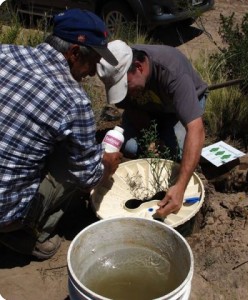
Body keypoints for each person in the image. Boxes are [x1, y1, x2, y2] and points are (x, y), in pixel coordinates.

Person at [0, 9, 123, 260]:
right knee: (75, 166)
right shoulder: (74, 101)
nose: (92, 73)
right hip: (5, 213)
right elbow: (88, 176)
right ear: (74, 54)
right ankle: (25, 233)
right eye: (93, 62)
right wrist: (107, 166)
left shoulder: (5, 53)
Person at [97, 40, 208, 218]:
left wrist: (180, 188)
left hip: (179, 108)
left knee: (177, 154)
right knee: (132, 147)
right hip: (150, 108)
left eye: (125, 87)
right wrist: (151, 136)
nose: (124, 92)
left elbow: (195, 129)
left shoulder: (171, 71)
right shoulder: (122, 73)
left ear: (139, 67)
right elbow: (132, 109)